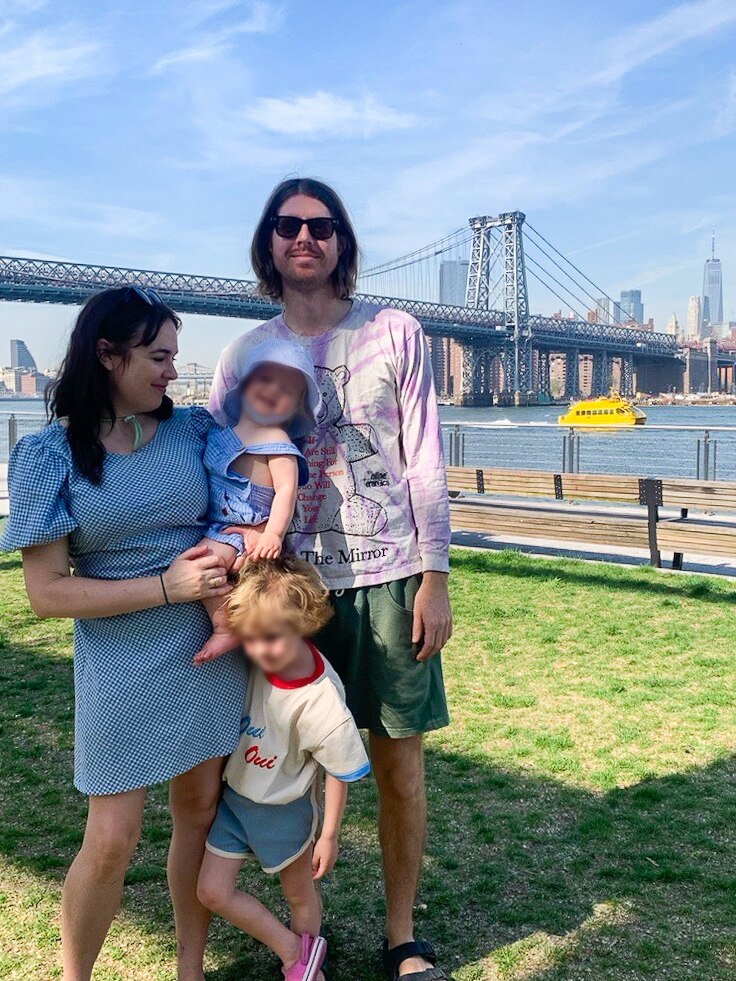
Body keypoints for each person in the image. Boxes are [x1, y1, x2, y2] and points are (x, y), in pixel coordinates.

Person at [209, 178, 453, 981]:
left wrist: (435, 575)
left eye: (321, 225)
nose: (304, 237)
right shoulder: (244, 353)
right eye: (287, 225)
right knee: (271, 761)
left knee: (397, 768)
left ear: (342, 240)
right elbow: (217, 462)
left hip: (388, 577)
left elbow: (424, 460)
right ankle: (301, 930)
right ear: (268, 243)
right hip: (284, 585)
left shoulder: (398, 331)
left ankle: (402, 935)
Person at [1, 287, 247, 981]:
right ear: (108, 354)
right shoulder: (49, 455)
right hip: (119, 659)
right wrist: (167, 586)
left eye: (174, 355)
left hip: (207, 650)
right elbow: (46, 592)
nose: (174, 370)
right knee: (111, 840)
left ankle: (190, 969)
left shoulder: (195, 430)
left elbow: (248, 507)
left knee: (198, 813)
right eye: (159, 356)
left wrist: (226, 555)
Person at [197, 556, 370, 981]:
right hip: (235, 801)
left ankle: (309, 967)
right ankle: (295, 951)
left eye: (271, 638)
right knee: (211, 891)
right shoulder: (260, 652)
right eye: (250, 639)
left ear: (304, 624)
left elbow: (338, 770)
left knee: (299, 895)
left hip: (286, 810)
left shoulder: (323, 701)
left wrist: (329, 834)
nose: (259, 650)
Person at [194, 337, 321, 663]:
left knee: (202, 565)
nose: (272, 391)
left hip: (248, 528)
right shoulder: (221, 432)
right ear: (245, 384)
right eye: (265, 380)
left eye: (287, 391)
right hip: (219, 525)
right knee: (213, 572)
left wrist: (273, 535)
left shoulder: (277, 441)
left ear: (295, 408)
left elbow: (286, 493)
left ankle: (223, 627)